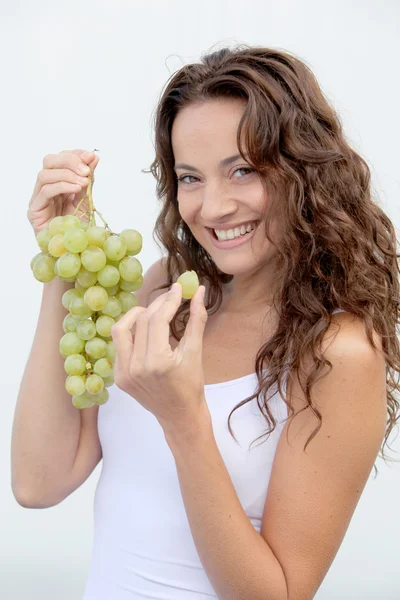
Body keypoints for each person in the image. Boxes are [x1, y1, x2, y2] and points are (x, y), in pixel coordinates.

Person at [12, 45, 400, 600]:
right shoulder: (165, 287)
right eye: (190, 178)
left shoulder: (338, 353)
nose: (212, 208)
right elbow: (38, 481)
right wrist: (62, 263)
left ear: (306, 172)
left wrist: (184, 418)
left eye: (242, 171)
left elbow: (278, 594)